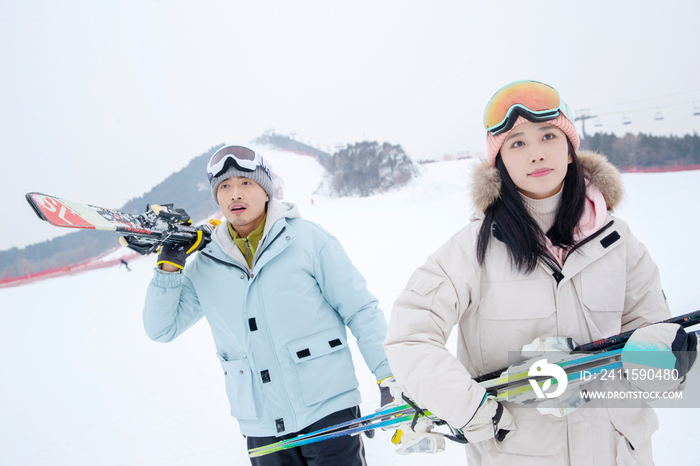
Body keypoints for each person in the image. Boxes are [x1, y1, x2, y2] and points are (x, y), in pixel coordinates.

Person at [383, 80, 698, 465]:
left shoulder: (620, 243)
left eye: (548, 135)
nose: (536, 154)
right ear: (500, 164)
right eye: (517, 143)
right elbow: (409, 337)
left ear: (569, 151)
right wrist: (471, 410)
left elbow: (651, 350)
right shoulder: (471, 250)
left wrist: (665, 361)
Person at [143, 145, 393, 465]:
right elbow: (160, 328)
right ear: (217, 198)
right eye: (225, 187)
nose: (235, 193)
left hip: (328, 411)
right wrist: (169, 268)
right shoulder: (205, 264)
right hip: (262, 425)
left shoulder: (308, 240)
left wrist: (389, 376)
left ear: (267, 192)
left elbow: (361, 310)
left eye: (246, 183)